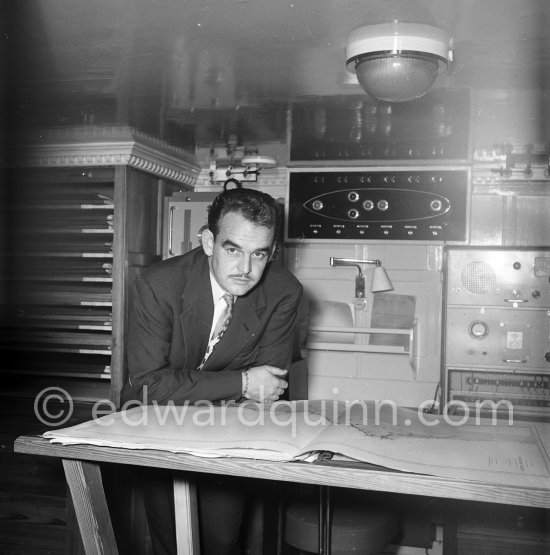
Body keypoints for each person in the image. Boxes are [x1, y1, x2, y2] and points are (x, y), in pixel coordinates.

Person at [121, 187, 303, 555]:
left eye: (259, 254)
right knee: (171, 542)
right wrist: (243, 381)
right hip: (157, 421)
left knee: (221, 540)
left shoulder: (284, 291)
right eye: (232, 249)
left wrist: (250, 387)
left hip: (229, 424)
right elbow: (146, 385)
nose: (246, 269)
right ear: (208, 242)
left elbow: (269, 388)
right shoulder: (157, 285)